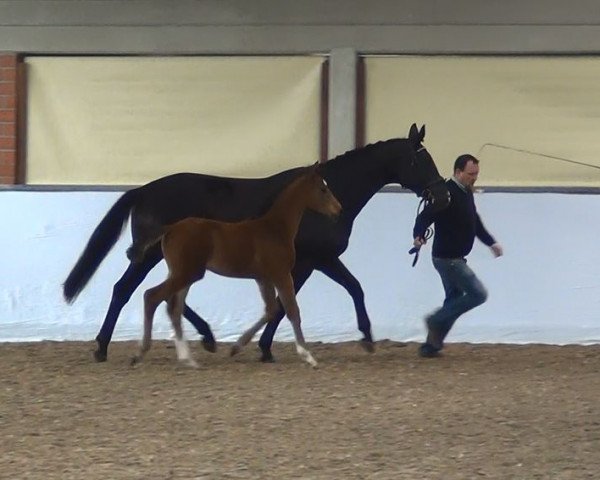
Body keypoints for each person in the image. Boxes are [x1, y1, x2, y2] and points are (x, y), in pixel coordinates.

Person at [413, 154, 503, 358]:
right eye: (471, 174)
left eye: (476, 174)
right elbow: (426, 215)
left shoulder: (465, 192)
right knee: (478, 294)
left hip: (455, 258)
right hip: (448, 259)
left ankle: (431, 346)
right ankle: (435, 320)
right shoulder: (446, 193)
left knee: (453, 300)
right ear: (458, 172)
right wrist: (418, 235)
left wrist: (491, 243)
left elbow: (475, 221)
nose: (475, 178)